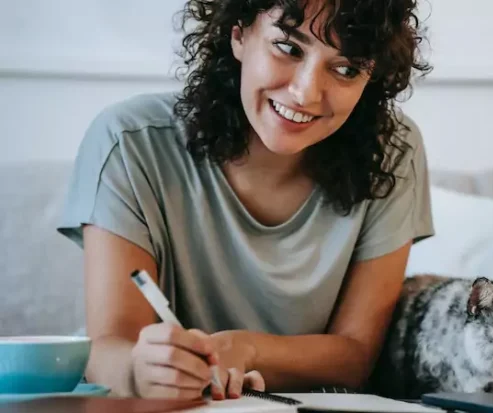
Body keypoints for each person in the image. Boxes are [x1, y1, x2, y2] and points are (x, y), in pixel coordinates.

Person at [57, 0, 433, 401]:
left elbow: (356, 357)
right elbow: (108, 348)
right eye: (288, 48)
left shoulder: (391, 152)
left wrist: (247, 349)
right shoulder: (129, 144)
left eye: (346, 69)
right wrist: (139, 370)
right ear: (238, 34)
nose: (305, 92)